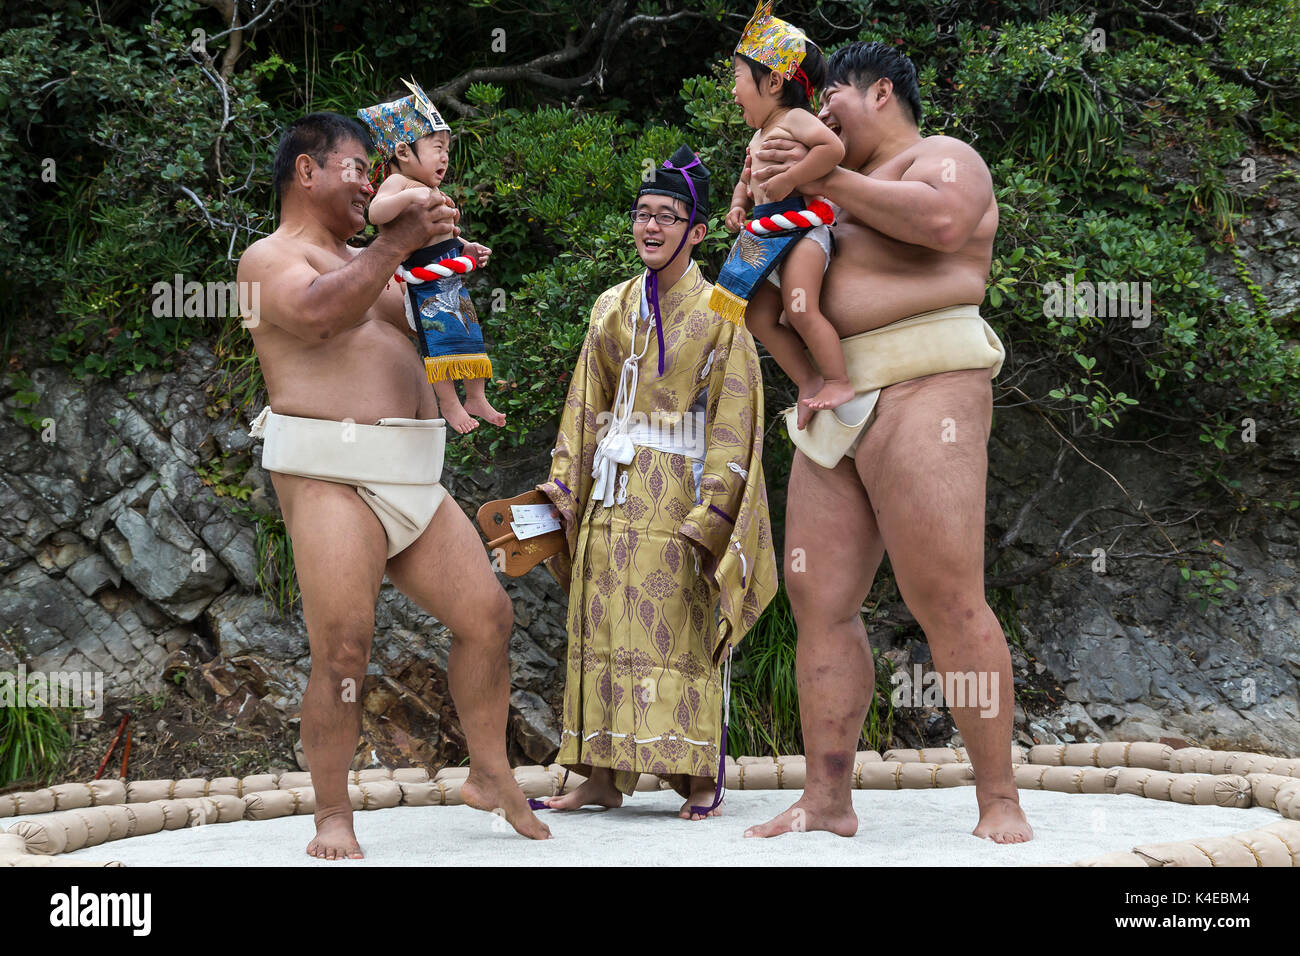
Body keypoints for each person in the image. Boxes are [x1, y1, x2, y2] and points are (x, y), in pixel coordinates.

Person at [740, 41, 1033, 843]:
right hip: (833, 401)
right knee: (819, 603)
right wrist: (759, 205)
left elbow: (942, 224)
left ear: (877, 94)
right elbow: (761, 289)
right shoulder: (825, 198)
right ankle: (827, 800)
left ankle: (998, 797)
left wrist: (820, 174)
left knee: (945, 595)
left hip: (928, 378)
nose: (820, 112)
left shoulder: (944, 157)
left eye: (830, 97)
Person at [237, 112, 550, 859]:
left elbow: (430, 328)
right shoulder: (266, 258)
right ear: (306, 172)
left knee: (489, 619)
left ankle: (487, 770)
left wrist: (441, 260)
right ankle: (333, 815)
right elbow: (316, 319)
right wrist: (393, 244)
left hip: (413, 473)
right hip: (328, 474)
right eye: (355, 168)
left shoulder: (375, 259)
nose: (370, 182)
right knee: (344, 648)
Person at [537, 145, 778, 820]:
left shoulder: (723, 311)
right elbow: (585, 407)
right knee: (602, 624)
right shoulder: (611, 306)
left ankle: (700, 776)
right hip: (612, 490)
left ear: (696, 231)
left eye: (667, 217)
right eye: (642, 214)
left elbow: (736, 419)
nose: (650, 226)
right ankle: (600, 775)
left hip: (680, 488)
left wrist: (715, 514)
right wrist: (564, 489)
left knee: (680, 624)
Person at [719, 2, 851, 428]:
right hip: (766, 232)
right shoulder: (758, 134)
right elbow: (746, 176)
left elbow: (834, 150)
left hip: (803, 232)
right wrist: (739, 204)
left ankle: (837, 379)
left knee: (798, 307)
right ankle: (808, 380)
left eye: (738, 79)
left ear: (773, 81)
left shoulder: (795, 119)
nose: (734, 91)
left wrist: (789, 177)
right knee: (756, 315)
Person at [358, 80, 505, 434]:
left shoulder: (431, 189)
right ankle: (450, 404)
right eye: (437, 147)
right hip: (423, 283)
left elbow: (448, 234)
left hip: (449, 274)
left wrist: (467, 247)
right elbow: (375, 214)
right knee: (438, 343)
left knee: (469, 335)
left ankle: (476, 396)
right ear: (404, 152)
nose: (445, 157)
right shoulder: (399, 185)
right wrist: (410, 199)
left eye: (448, 150)